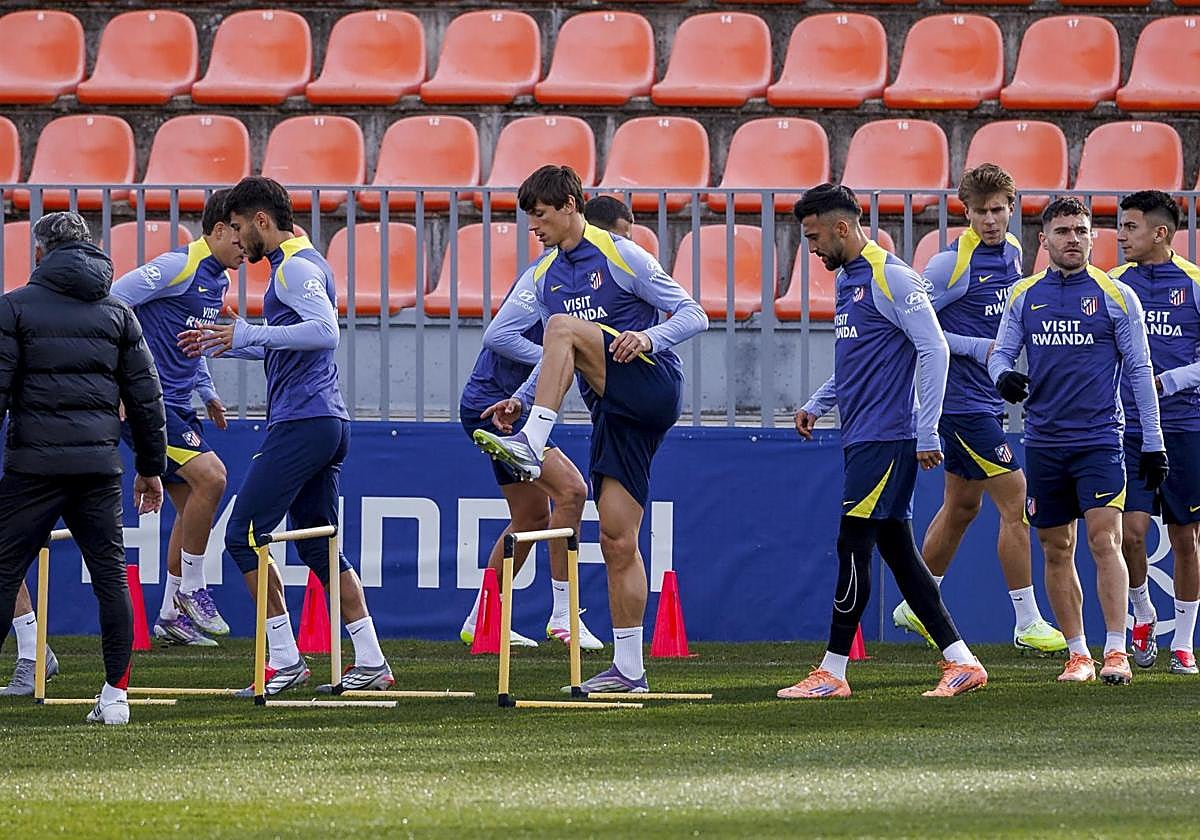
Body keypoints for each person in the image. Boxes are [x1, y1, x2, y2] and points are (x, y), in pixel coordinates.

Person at [473, 166, 708, 693]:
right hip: (613, 409)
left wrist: (648, 338)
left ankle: (532, 442)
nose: (534, 226)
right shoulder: (544, 276)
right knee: (617, 538)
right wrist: (521, 397)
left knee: (561, 327)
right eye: (529, 217)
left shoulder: (622, 254)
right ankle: (630, 670)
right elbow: (556, 353)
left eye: (541, 215)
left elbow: (694, 314)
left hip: (652, 382)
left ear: (570, 205)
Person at [178, 176, 392, 696]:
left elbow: (325, 333)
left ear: (261, 221)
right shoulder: (298, 262)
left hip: (304, 422)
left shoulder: (294, 268)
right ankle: (370, 660)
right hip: (322, 421)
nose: (235, 239)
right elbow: (294, 341)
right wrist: (233, 341)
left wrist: (249, 333)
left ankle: (285, 659)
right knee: (319, 547)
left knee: (243, 535)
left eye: (238, 227)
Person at [779, 184, 987, 700]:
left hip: (888, 437)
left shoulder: (891, 276)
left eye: (814, 237)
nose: (812, 248)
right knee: (898, 552)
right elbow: (862, 358)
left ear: (842, 227)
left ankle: (833, 670)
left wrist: (928, 429)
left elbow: (934, 348)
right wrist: (818, 402)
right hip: (864, 435)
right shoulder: (849, 279)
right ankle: (961, 661)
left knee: (852, 544)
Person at [988, 196, 1169, 685]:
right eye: (1063, 231)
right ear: (1044, 239)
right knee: (1055, 547)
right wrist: (1003, 375)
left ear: (1093, 237)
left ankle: (1116, 651)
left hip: (1100, 440)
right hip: (1044, 441)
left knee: (1105, 540)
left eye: (1082, 231)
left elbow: (1140, 371)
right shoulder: (1024, 295)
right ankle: (1078, 654)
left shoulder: (1116, 295)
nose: (1074, 239)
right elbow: (1000, 354)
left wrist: (1153, 442)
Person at [892, 164, 1065, 656]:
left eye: (998, 210)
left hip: (987, 399)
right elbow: (912, 327)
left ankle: (917, 602)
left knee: (962, 507)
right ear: (964, 212)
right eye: (980, 212)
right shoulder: (949, 265)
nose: (990, 220)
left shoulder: (1011, 251)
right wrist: (978, 348)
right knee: (1017, 503)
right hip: (959, 404)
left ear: (1012, 210)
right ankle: (1027, 621)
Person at [0, 211, 166, 724]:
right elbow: (146, 398)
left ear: (39, 253)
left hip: (33, 466)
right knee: (110, 579)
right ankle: (115, 698)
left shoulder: (14, 308)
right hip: (98, 467)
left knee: (3, 572)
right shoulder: (119, 312)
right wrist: (150, 467)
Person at [458, 197, 636, 651]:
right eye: (620, 238)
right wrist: (562, 355)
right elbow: (498, 335)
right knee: (573, 492)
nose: (624, 249)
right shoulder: (546, 273)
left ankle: (483, 619)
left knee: (531, 516)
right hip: (496, 404)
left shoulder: (596, 279)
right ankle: (563, 616)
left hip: (508, 402)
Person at [111, 190, 237, 647]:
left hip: (180, 403)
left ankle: (170, 615)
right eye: (240, 236)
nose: (247, 248)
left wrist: (208, 392)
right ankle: (193, 588)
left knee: (190, 508)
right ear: (220, 229)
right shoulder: (177, 265)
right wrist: (119, 379)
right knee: (213, 478)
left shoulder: (218, 279)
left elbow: (191, 340)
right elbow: (112, 301)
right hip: (148, 401)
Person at [1112, 190, 1200, 676]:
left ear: (1160, 232)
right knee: (1131, 534)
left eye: (1131, 227)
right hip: (1129, 426)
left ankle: (1183, 643)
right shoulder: (1113, 284)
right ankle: (1143, 611)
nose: (1121, 236)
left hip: (1185, 426)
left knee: (1186, 538)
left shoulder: (1194, 283)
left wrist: (1171, 381)